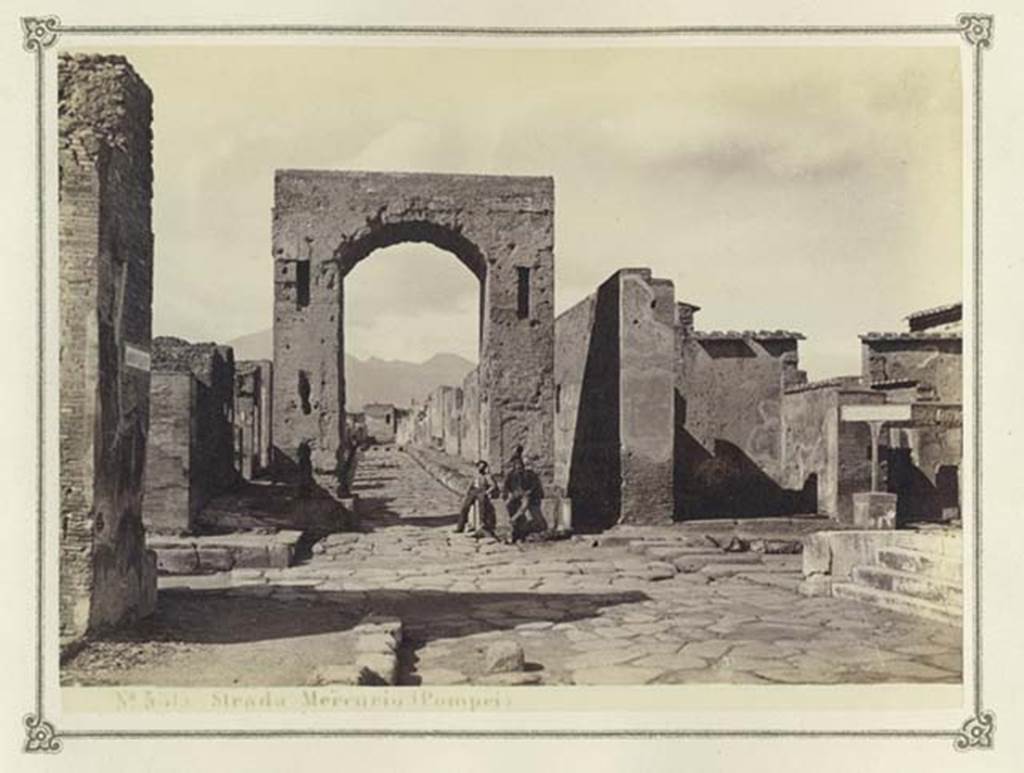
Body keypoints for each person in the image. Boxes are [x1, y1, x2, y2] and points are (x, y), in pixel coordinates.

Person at [502, 446, 546, 543]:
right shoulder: (511, 475)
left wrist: (528, 492)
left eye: (520, 467)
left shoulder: (529, 474)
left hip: (525, 494)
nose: (519, 469)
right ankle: (514, 522)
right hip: (515, 494)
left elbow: (534, 485)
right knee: (508, 503)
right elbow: (506, 487)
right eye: (517, 467)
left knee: (524, 505)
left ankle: (514, 519)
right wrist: (510, 494)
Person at [454, 460, 498, 536]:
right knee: (465, 506)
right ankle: (460, 527)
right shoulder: (475, 475)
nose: (481, 468)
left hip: (482, 490)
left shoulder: (487, 476)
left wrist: (487, 492)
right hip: (473, 490)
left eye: (483, 467)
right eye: (480, 466)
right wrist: (466, 493)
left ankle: (482, 525)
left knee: (482, 506)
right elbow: (470, 485)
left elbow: (493, 486)